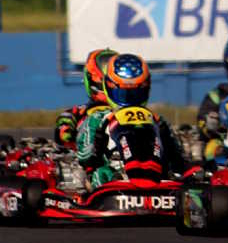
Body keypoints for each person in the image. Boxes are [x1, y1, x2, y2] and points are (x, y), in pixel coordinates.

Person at [76, 53, 185, 189]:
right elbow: (84, 157)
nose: (129, 100)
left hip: (158, 181)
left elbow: (177, 158)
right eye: (123, 94)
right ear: (108, 87)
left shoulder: (157, 121)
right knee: (101, 174)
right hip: (113, 181)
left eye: (135, 94)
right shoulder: (98, 119)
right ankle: (114, 181)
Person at [54, 47, 117, 147]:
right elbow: (62, 136)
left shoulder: (134, 112)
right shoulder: (77, 113)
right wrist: (66, 129)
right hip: (92, 156)